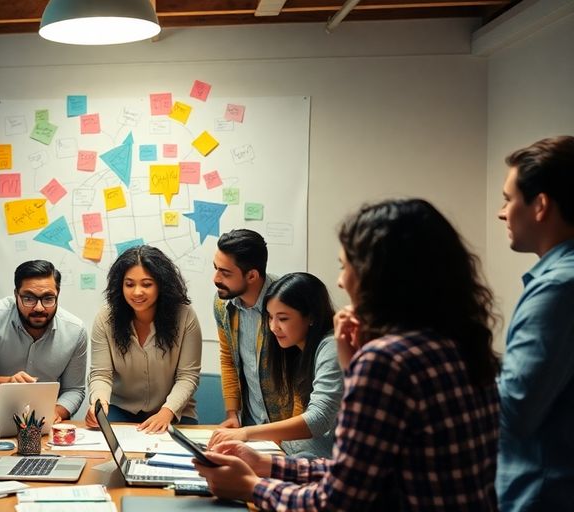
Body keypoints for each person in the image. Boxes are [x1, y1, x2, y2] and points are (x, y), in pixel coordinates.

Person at [194, 199, 500, 510]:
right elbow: (356, 471)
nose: (340, 281)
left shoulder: (388, 361)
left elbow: (337, 499)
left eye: (345, 267)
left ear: (378, 276)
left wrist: (252, 487)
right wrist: (267, 465)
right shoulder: (463, 348)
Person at [496, 135, 574, 511]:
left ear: (540, 205)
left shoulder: (558, 287)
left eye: (508, 199)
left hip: (540, 494)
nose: (502, 213)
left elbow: (516, 410)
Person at [208, 273, 343, 458]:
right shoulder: (296, 350)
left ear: (311, 316)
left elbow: (318, 420)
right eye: (270, 317)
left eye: (283, 318)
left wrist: (246, 433)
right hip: (299, 454)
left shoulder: (331, 347)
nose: (273, 327)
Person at [85, 245, 202, 433]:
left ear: (161, 285)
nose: (137, 292)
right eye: (129, 284)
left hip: (173, 410)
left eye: (146, 284)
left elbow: (187, 376)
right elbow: (101, 374)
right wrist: (99, 403)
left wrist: (167, 412)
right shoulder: (105, 319)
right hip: (121, 410)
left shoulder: (185, 316)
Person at [0, 260, 87, 424]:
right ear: (16, 295)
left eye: (48, 298)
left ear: (58, 294)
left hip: (43, 420)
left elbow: (74, 389)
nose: (39, 308)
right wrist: (8, 384)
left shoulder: (75, 331)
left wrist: (56, 412)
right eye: (29, 298)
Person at [212, 229, 281, 429]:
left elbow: (301, 374)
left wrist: (287, 437)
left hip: (286, 428)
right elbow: (228, 358)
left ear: (251, 276)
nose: (215, 279)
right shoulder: (222, 303)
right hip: (250, 424)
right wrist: (232, 414)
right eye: (216, 268)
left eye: (225, 273)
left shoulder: (285, 301)